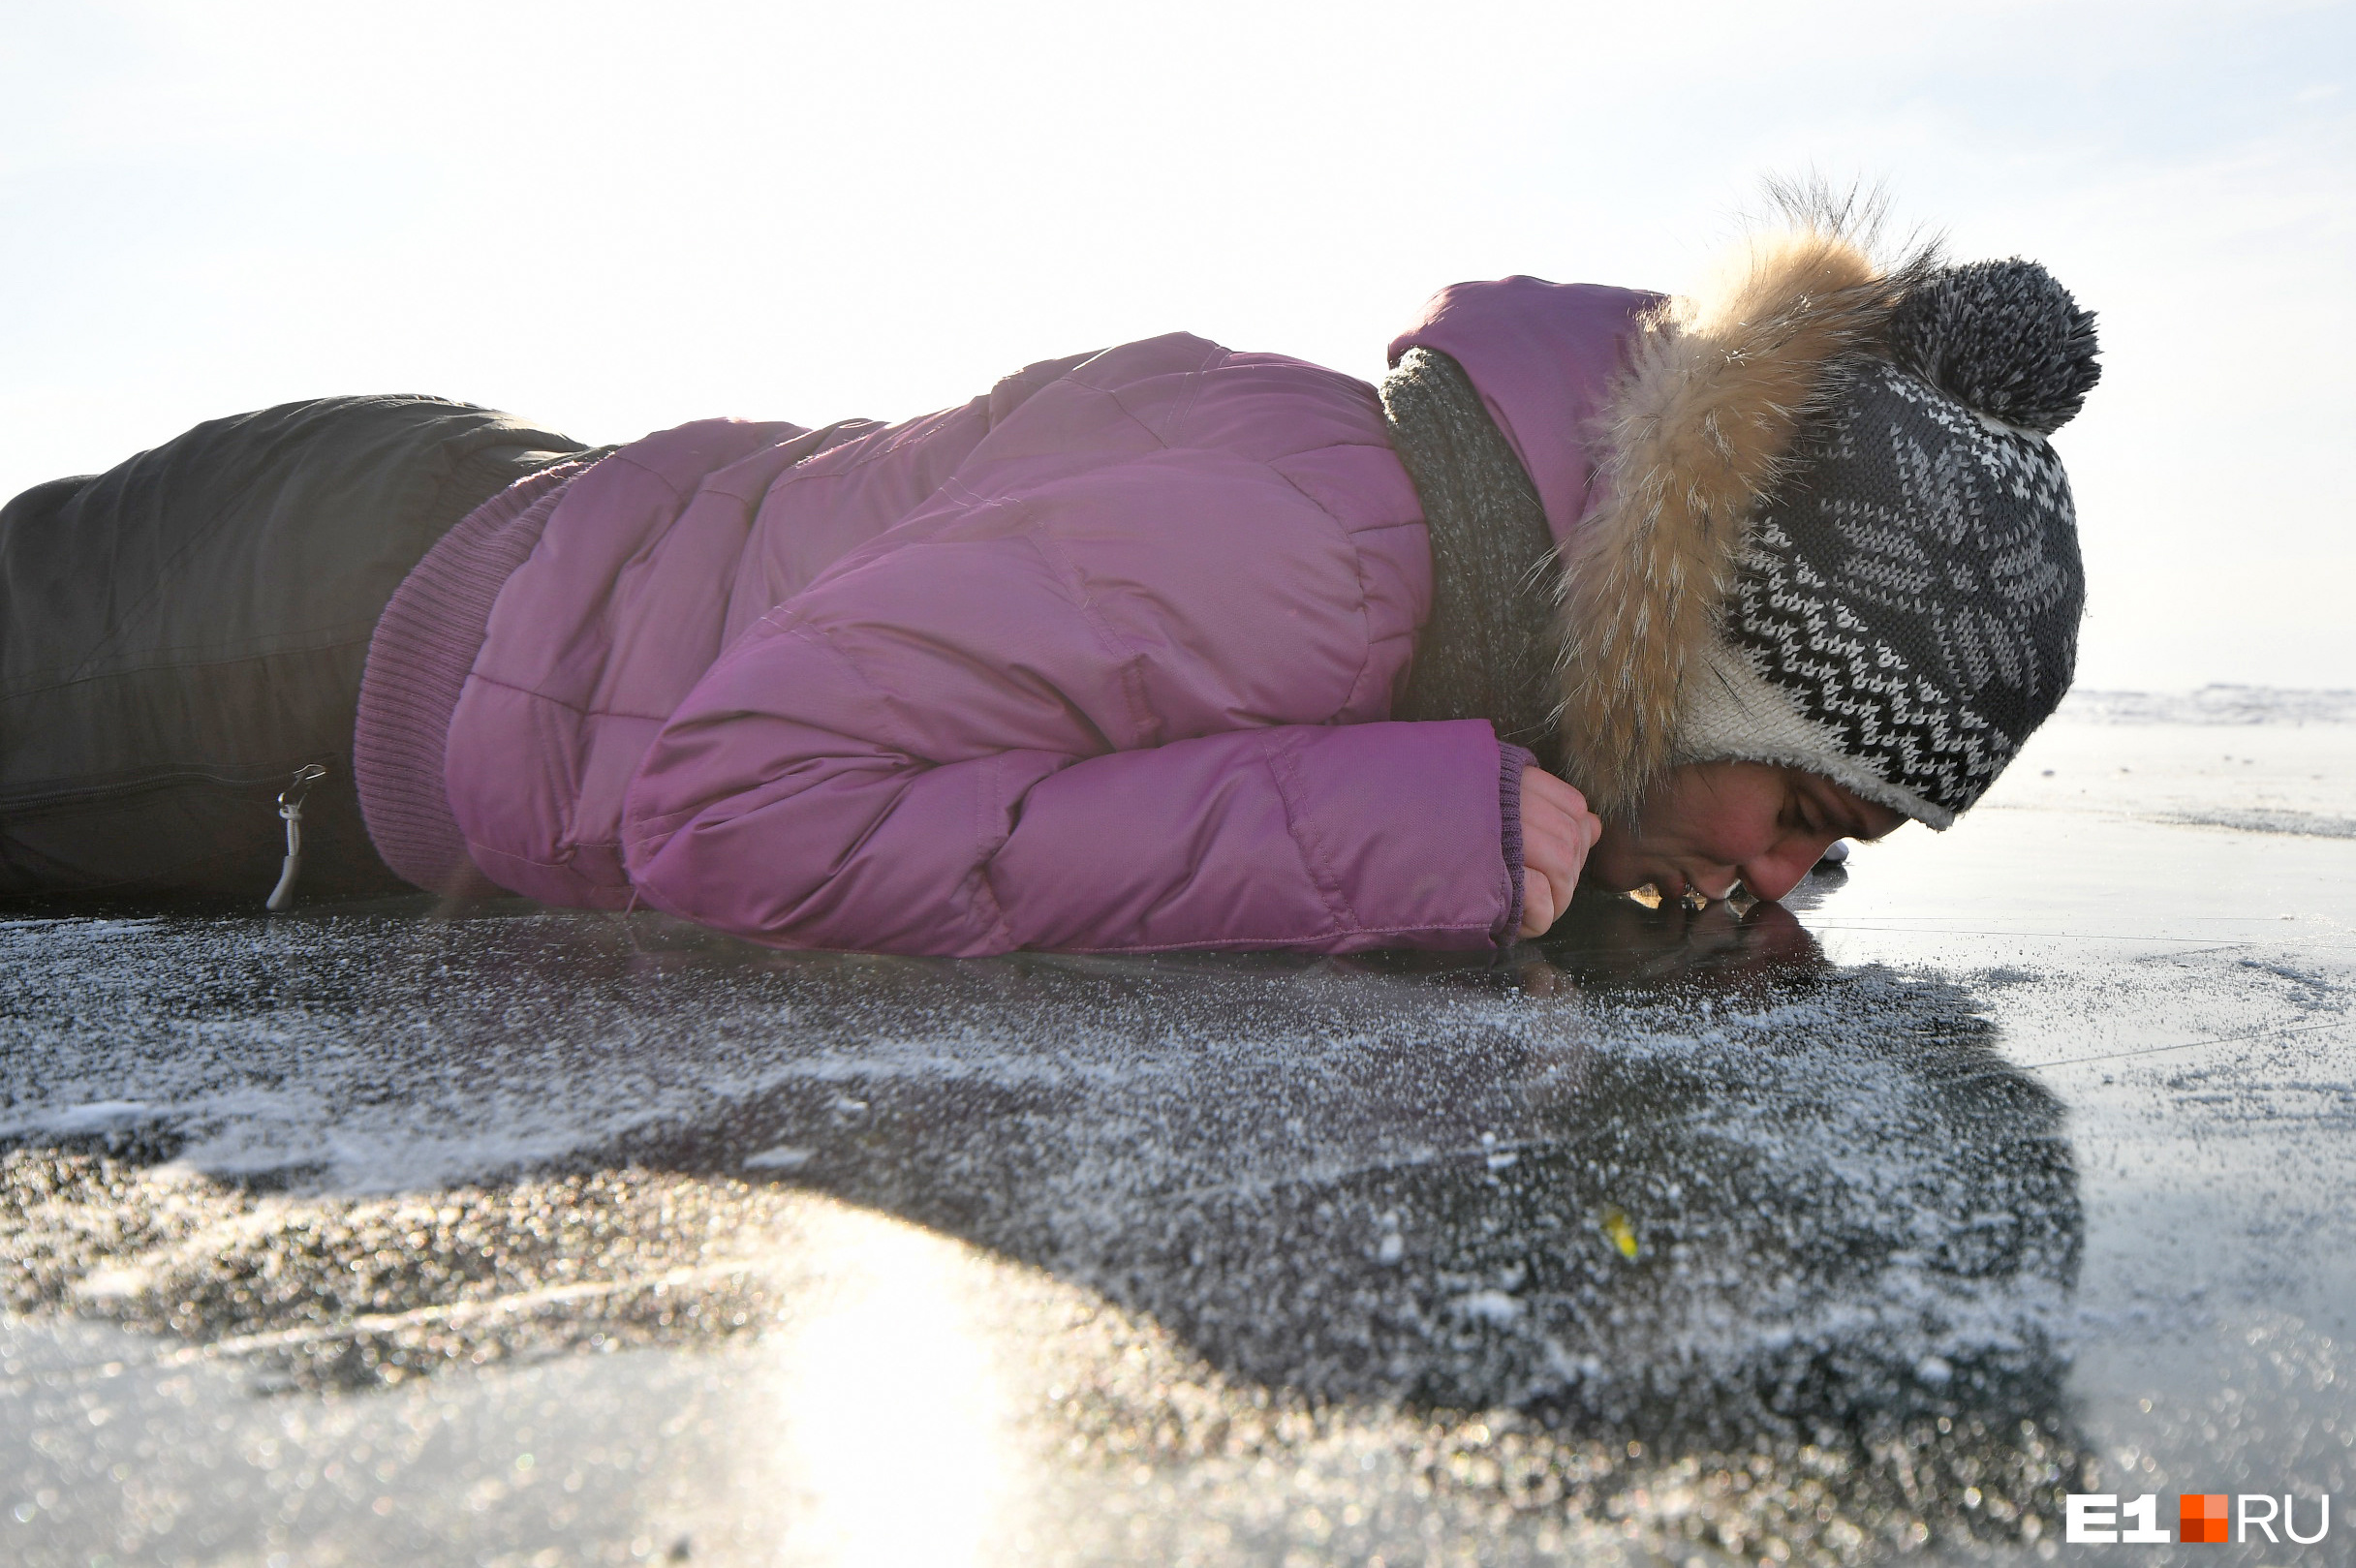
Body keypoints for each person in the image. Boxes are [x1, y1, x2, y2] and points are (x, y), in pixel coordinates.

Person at [0, 195, 2098, 952]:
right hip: (279, 648)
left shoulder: (1445, 610)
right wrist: (1398, 843)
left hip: (447, 628)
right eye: (1809, 818)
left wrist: (1567, 890)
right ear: (1719, 668)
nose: (1791, 880)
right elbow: (726, 811)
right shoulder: (1311, 539)